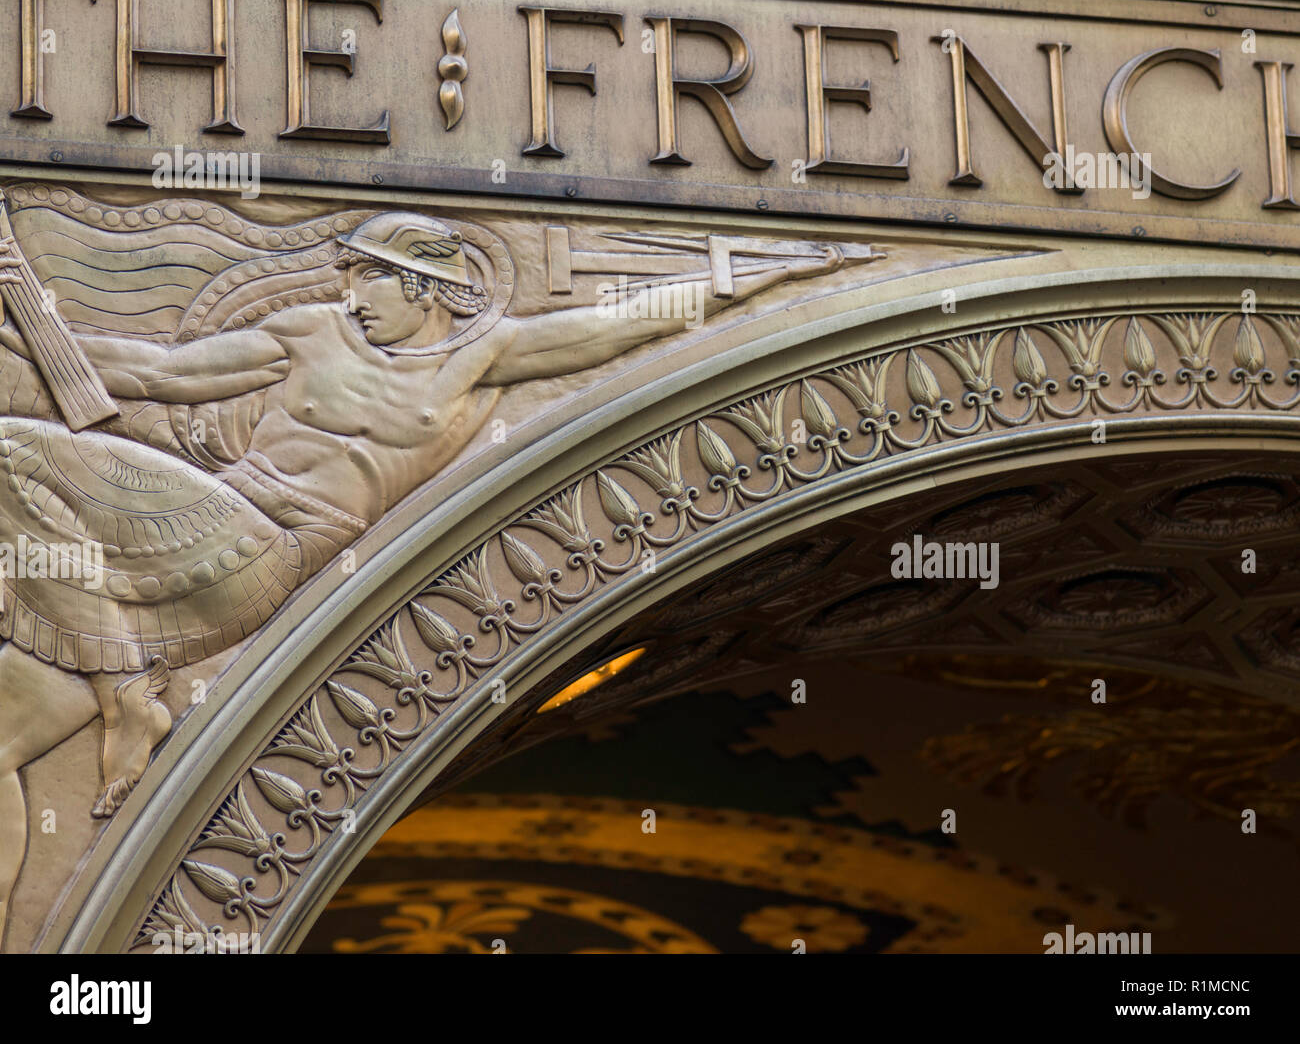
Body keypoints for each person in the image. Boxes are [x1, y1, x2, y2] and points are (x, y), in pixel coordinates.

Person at [0, 209, 843, 943]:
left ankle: (123, 695)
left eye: (370, 280)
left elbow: (627, 325)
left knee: (10, 449)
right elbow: (152, 372)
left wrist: (754, 272)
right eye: (351, 279)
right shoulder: (310, 334)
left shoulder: (486, 357)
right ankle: (124, 694)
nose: (352, 297)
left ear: (427, 287)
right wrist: (24, 318)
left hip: (272, 558)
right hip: (196, 532)